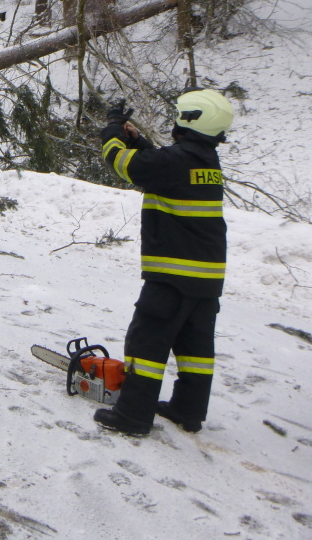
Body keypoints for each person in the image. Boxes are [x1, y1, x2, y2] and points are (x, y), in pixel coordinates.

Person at [94, 89, 234, 436]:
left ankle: (132, 416)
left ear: (188, 120)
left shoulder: (175, 162)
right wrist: (140, 141)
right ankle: (188, 411)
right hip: (206, 278)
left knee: (147, 343)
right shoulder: (206, 163)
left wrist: (112, 130)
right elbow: (160, 168)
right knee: (195, 349)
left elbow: (123, 165)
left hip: (172, 275)